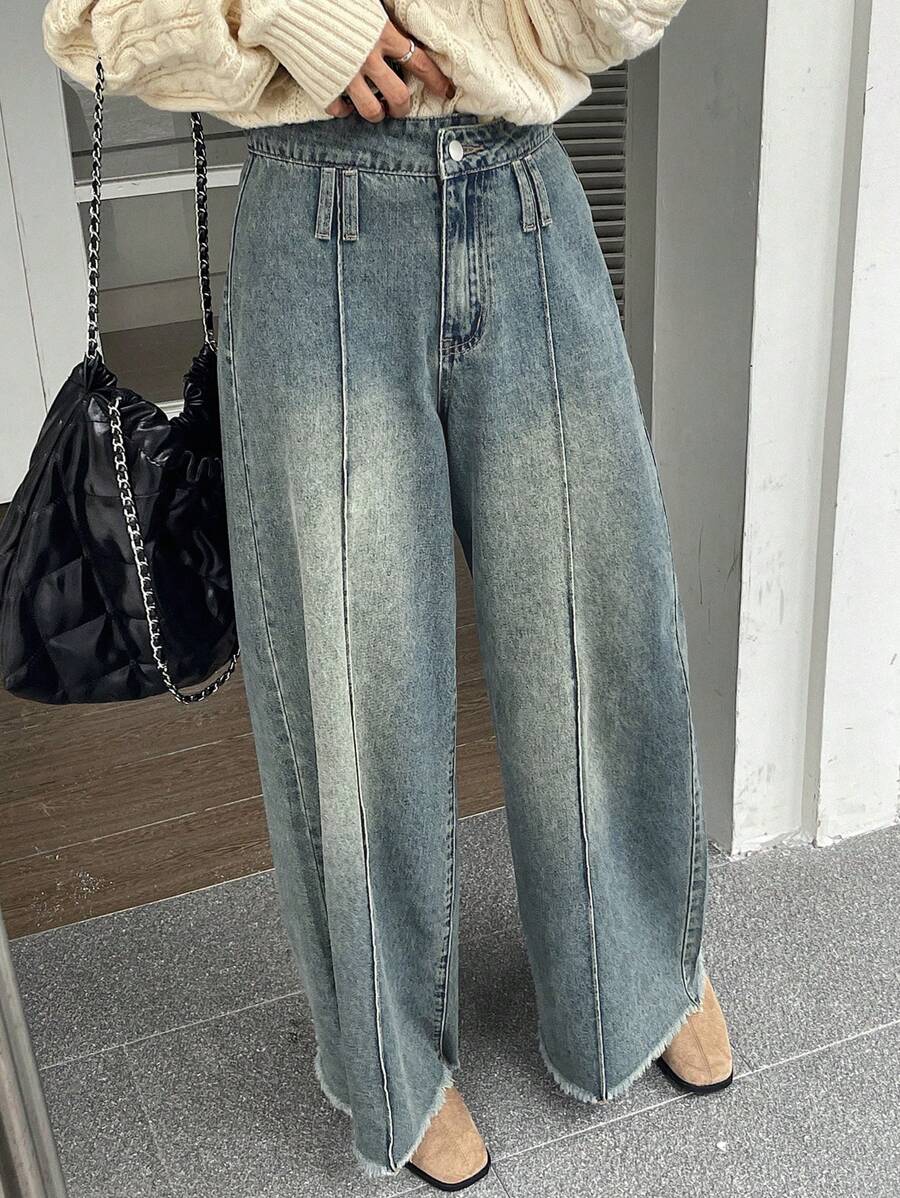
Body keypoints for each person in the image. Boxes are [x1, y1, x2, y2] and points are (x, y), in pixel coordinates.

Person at [42, 1, 733, 1189]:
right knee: (359, 676)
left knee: (596, 616)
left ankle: (638, 970)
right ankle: (393, 1064)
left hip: (523, 192)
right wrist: (294, 16)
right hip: (319, 219)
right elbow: (92, 20)